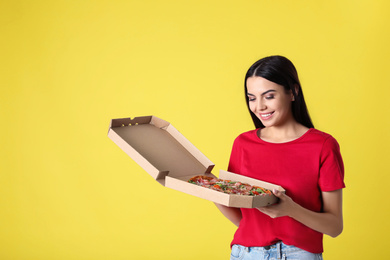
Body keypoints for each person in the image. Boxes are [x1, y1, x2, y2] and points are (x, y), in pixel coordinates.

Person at [215, 55, 345, 260]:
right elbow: (243, 220)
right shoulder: (242, 144)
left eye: (268, 96)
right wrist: (211, 190)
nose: (259, 107)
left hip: (298, 254)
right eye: (252, 98)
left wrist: (291, 210)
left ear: (293, 92)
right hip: (245, 253)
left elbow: (335, 226)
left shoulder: (323, 145)